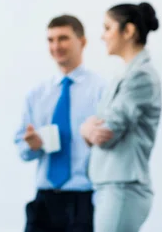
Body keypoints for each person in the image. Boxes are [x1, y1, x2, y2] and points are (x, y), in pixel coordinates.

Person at [14, 15, 107, 232]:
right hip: (44, 200)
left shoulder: (100, 90)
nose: (56, 46)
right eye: (51, 40)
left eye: (63, 38)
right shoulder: (37, 94)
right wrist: (32, 144)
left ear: (82, 42)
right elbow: (22, 149)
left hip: (83, 198)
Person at [81, 2, 161, 232]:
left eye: (107, 28)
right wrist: (88, 128)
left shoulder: (141, 76)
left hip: (123, 186)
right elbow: (97, 129)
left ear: (128, 31)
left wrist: (86, 128)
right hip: (112, 185)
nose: (102, 36)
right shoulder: (125, 73)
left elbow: (106, 132)